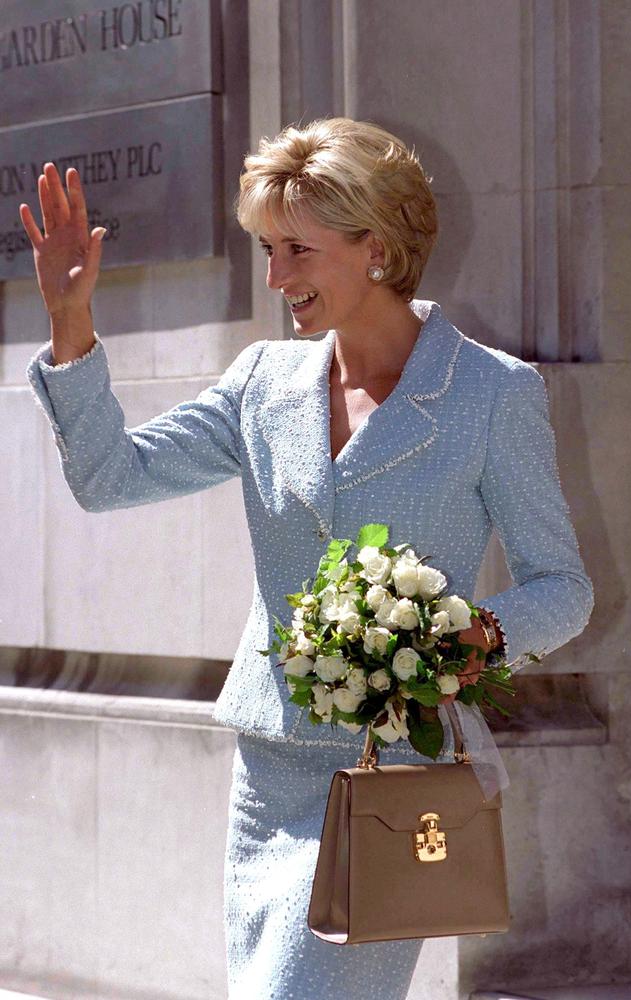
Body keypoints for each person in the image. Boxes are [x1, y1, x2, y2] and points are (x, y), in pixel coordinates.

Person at [21, 117, 594, 1000]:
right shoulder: (262, 382)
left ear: (376, 248)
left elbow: (562, 587)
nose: (276, 276)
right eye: (266, 248)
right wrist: (70, 323)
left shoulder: (492, 393)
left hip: (390, 769)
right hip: (271, 773)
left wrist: (461, 644)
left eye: (296, 249)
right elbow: (110, 477)